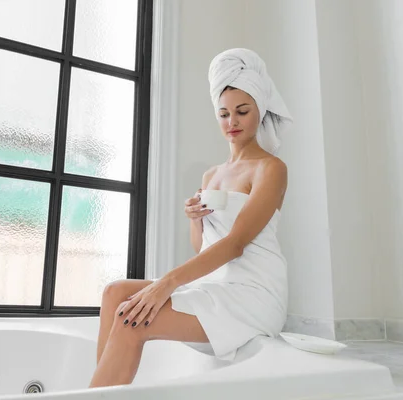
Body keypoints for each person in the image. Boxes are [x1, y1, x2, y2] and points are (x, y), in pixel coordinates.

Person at [89, 48, 293, 388]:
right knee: (115, 293)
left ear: (260, 110)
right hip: (215, 285)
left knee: (130, 319)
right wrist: (194, 219)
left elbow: (236, 244)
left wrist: (165, 284)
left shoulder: (270, 168)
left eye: (243, 111)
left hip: (253, 293)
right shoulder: (212, 175)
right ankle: (100, 393)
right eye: (224, 113)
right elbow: (203, 247)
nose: (233, 122)